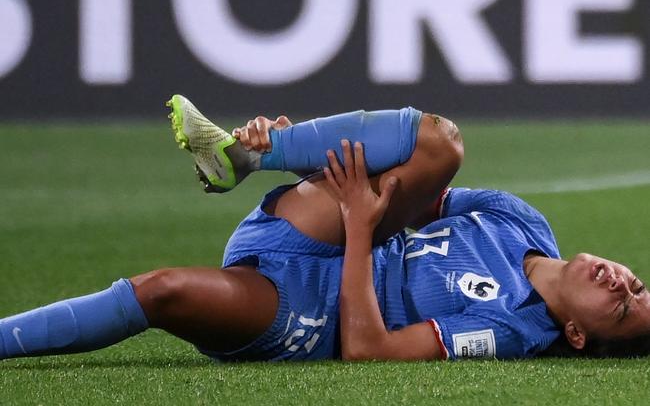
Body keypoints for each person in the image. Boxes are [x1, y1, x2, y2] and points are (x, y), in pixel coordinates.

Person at [1, 96, 649, 361]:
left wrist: (365, 231)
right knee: (439, 144)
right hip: (324, 228)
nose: (620, 283)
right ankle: (247, 157)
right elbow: (413, 187)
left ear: (576, 332)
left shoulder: (511, 326)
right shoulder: (520, 220)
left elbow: (369, 348)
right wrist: (315, 163)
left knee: (161, 291)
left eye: (618, 307)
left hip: (313, 311)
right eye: (637, 285)